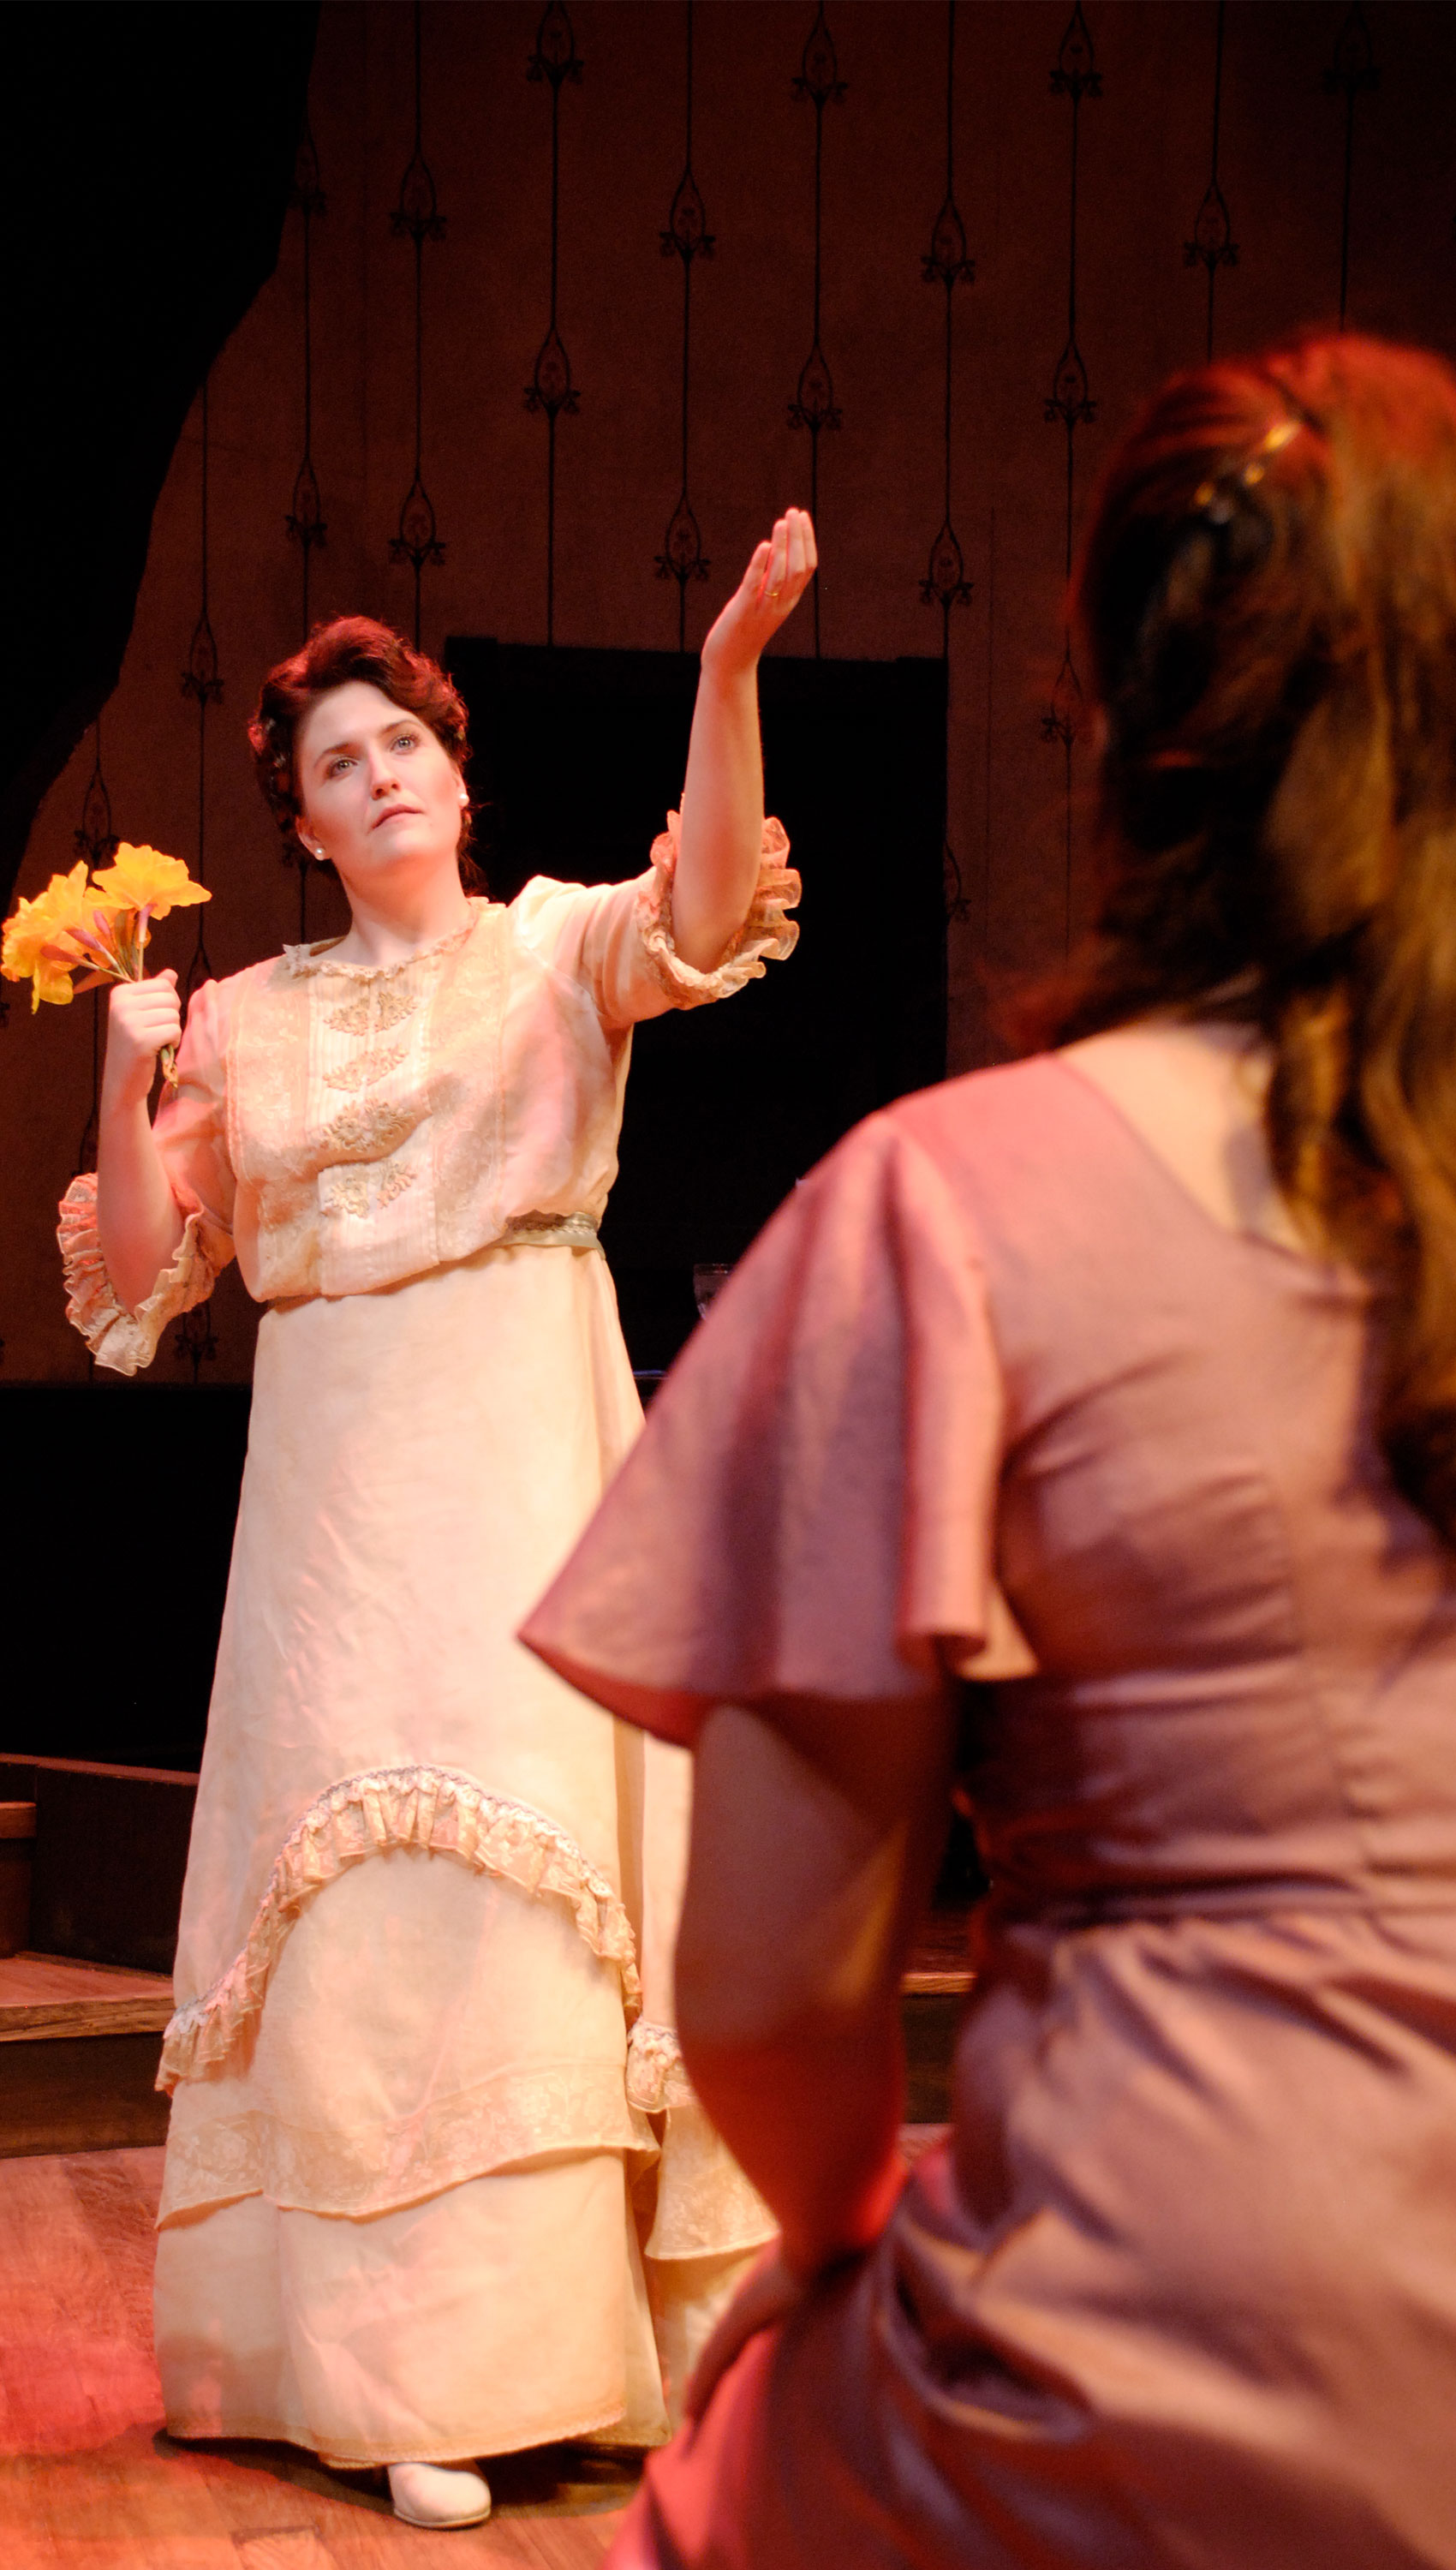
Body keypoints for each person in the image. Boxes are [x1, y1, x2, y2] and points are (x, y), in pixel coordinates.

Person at [522, 337, 1456, 2570]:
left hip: (1209, 2315)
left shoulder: (946, 1213)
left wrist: (833, 2249)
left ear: (1118, 738)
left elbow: (762, 1987)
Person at [60, 510, 815, 2530]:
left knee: (535, 1866)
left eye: (402, 743)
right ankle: (390, 2369)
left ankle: (548, 2356)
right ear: (304, 826)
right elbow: (141, 1291)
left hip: (530, 1435)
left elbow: (719, 897)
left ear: (458, 775)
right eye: (335, 763)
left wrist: (728, 662)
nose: (376, 773)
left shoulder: (558, 939)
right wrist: (122, 1099)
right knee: (365, 1883)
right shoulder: (251, 1018)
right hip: (338, 1473)